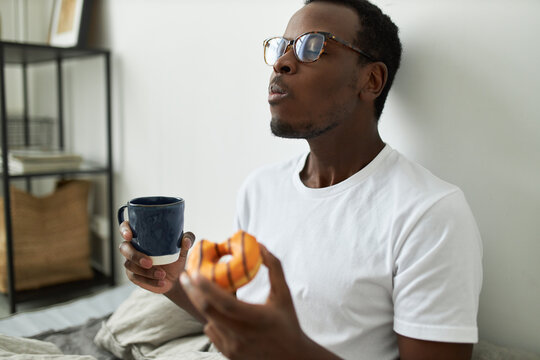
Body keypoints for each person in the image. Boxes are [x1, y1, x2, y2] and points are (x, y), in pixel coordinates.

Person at [119, 0, 483, 359]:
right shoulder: (261, 188)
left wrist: (294, 351)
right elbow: (244, 329)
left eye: (313, 46)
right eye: (281, 46)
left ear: (370, 80)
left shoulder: (430, 214)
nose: (281, 62)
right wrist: (171, 280)